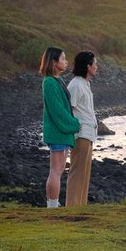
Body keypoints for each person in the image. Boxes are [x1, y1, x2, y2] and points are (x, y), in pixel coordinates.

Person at [39, 46, 80, 208]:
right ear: (54, 63)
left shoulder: (58, 80)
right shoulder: (49, 82)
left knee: (60, 168)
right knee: (55, 170)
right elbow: (57, 110)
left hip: (62, 132)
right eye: (63, 59)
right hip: (57, 131)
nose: (66, 61)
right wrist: (74, 124)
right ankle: (52, 206)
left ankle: (54, 204)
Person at [66, 51, 98, 206]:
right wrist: (75, 128)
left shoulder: (85, 83)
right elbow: (69, 110)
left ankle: (81, 207)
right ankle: (72, 207)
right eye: (94, 64)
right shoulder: (76, 85)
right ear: (88, 66)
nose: (96, 67)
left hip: (89, 133)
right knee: (77, 172)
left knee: (84, 174)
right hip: (81, 134)